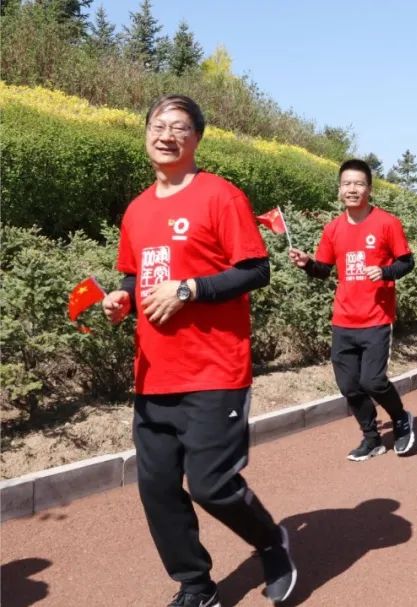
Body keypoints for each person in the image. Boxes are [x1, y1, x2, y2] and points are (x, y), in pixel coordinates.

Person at [102, 95, 296, 607]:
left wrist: (189, 289)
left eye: (179, 127)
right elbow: (135, 275)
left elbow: (256, 269)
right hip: (154, 375)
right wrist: (122, 298)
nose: (166, 134)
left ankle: (270, 541)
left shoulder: (220, 196)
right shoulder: (137, 209)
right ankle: (195, 584)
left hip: (214, 369)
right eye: (158, 124)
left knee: (212, 485)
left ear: (197, 139)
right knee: (157, 488)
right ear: (146, 132)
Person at [288, 159, 417, 461]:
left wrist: (385, 272)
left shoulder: (386, 223)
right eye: (347, 184)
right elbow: (323, 270)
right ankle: (372, 438)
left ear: (369, 189)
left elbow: (406, 262)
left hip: (376, 318)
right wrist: (307, 264)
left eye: (359, 183)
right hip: (343, 320)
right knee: (348, 386)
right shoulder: (333, 228)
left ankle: (400, 418)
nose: (352, 189)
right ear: (339, 190)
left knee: (372, 381)